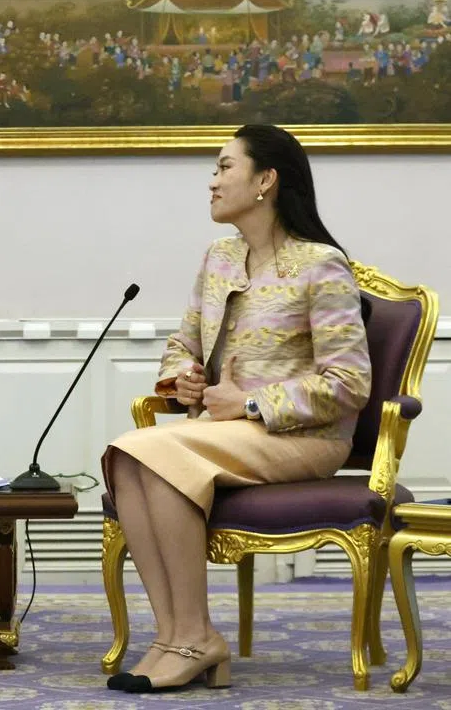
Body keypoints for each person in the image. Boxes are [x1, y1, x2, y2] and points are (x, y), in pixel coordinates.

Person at [101, 124, 371, 693]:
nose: (213, 181)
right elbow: (183, 345)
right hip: (222, 434)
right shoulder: (219, 258)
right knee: (127, 456)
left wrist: (249, 401)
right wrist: (185, 381)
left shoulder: (322, 265)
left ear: (266, 180)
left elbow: (349, 384)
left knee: (146, 452)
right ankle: (173, 636)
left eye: (225, 167)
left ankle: (195, 636)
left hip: (304, 439)